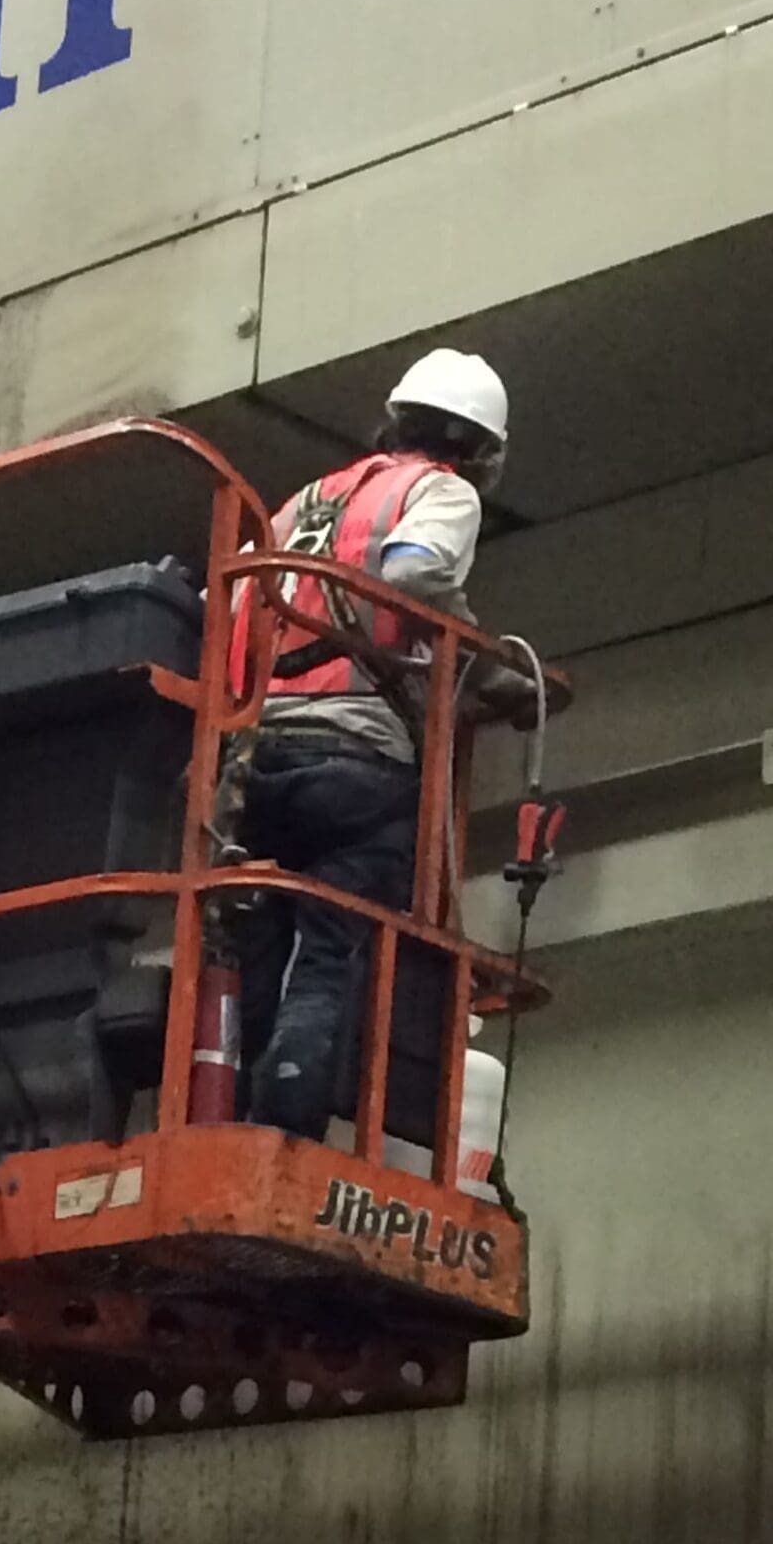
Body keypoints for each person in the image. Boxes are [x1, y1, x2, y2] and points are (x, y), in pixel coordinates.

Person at [226, 347, 535, 1141]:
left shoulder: (309, 500)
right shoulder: (442, 492)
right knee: (335, 947)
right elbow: (411, 569)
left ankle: (234, 1110)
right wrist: (475, 651)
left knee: (258, 933)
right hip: (358, 761)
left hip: (260, 760)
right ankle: (289, 1115)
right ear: (480, 449)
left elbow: (223, 599)